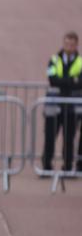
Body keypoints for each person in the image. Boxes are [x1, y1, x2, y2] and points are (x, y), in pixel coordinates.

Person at [42, 31, 82, 172]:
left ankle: (67, 167)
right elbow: (52, 80)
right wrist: (72, 81)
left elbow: (80, 83)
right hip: (53, 105)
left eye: (72, 44)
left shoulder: (80, 62)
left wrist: (64, 82)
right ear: (63, 43)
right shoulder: (54, 59)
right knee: (49, 136)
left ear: (76, 45)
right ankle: (46, 166)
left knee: (69, 138)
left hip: (72, 107)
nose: (69, 46)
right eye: (66, 43)